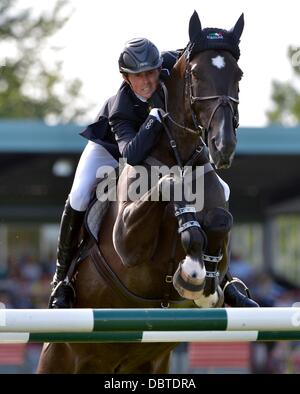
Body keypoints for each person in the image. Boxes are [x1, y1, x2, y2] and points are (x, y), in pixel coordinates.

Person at [50, 38, 258, 309]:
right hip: (112, 148)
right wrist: (155, 116)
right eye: (139, 76)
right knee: (79, 194)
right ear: (126, 78)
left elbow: (197, 51)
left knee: (222, 191)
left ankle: (224, 280)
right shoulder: (121, 108)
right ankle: (61, 280)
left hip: (161, 147)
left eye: (152, 72)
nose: (148, 81)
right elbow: (132, 157)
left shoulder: (169, 64)